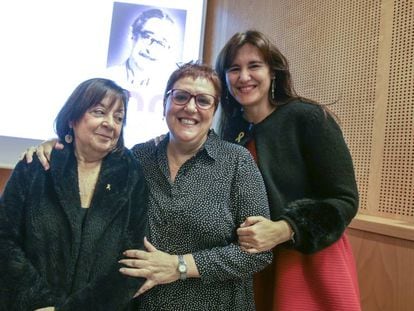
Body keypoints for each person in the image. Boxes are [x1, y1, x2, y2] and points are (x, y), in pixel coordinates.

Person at [22, 63, 273, 310]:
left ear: (214, 109)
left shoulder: (237, 162)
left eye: (203, 100)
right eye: (181, 97)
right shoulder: (136, 158)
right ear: (164, 104)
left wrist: (180, 266)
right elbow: (88, 158)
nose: (190, 107)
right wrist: (58, 144)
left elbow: (260, 253)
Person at [215, 30, 361, 311]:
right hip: (251, 266)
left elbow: (344, 200)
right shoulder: (229, 132)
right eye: (234, 69)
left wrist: (286, 228)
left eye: (254, 66)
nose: (244, 77)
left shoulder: (308, 117)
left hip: (308, 263)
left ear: (273, 72)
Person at [0, 78, 148, 310]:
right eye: (99, 112)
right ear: (73, 118)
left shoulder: (132, 174)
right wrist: (38, 302)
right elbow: (4, 240)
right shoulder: (36, 166)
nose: (110, 123)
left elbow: (134, 258)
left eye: (119, 117)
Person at [106, 8, 180, 89]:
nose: (151, 49)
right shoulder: (106, 78)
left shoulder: (168, 87)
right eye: (147, 36)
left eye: (161, 43)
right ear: (132, 35)